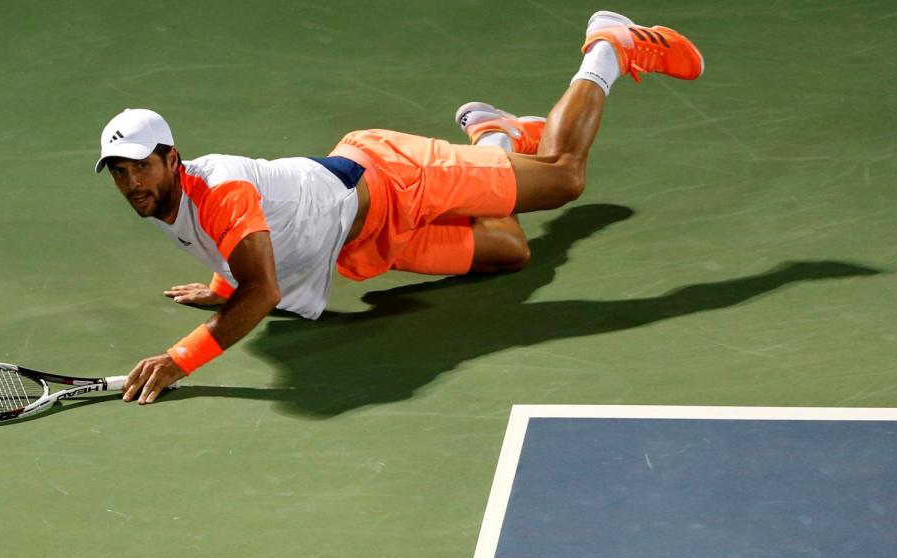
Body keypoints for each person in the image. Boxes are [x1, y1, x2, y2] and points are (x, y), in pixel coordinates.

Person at [95, 10, 704, 404]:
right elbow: (242, 248)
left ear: (173, 158)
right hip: (364, 244)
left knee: (563, 177)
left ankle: (609, 47)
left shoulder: (221, 187)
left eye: (141, 166)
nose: (131, 184)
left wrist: (180, 360)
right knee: (510, 251)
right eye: (119, 173)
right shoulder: (169, 204)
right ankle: (495, 136)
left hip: (395, 177)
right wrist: (222, 283)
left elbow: (261, 288)